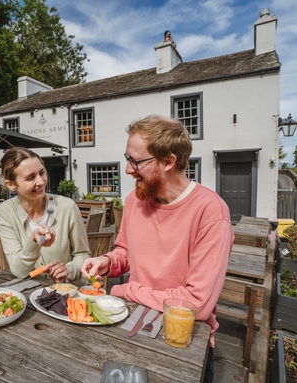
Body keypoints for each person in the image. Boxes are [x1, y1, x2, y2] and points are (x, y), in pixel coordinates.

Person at [80, 115, 233, 382]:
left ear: (168, 161)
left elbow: (197, 304)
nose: (128, 170)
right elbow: (126, 252)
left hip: (183, 340)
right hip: (131, 323)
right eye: (128, 159)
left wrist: (126, 289)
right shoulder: (134, 200)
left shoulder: (211, 212)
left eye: (136, 162)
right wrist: (108, 261)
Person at [0, 147, 90, 284]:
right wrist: (33, 242)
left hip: (69, 291)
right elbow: (18, 270)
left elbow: (82, 255)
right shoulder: (5, 211)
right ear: (11, 184)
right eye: (30, 177)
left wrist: (68, 270)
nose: (40, 181)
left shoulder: (67, 207)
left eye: (42, 173)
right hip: (32, 293)